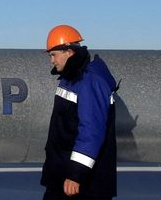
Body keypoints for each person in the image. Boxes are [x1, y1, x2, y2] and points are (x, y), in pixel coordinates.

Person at [41, 24, 118, 199]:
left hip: (82, 184)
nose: (51, 60)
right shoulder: (70, 79)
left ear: (69, 52)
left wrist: (76, 174)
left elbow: (91, 131)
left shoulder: (90, 82)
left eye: (54, 54)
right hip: (62, 175)